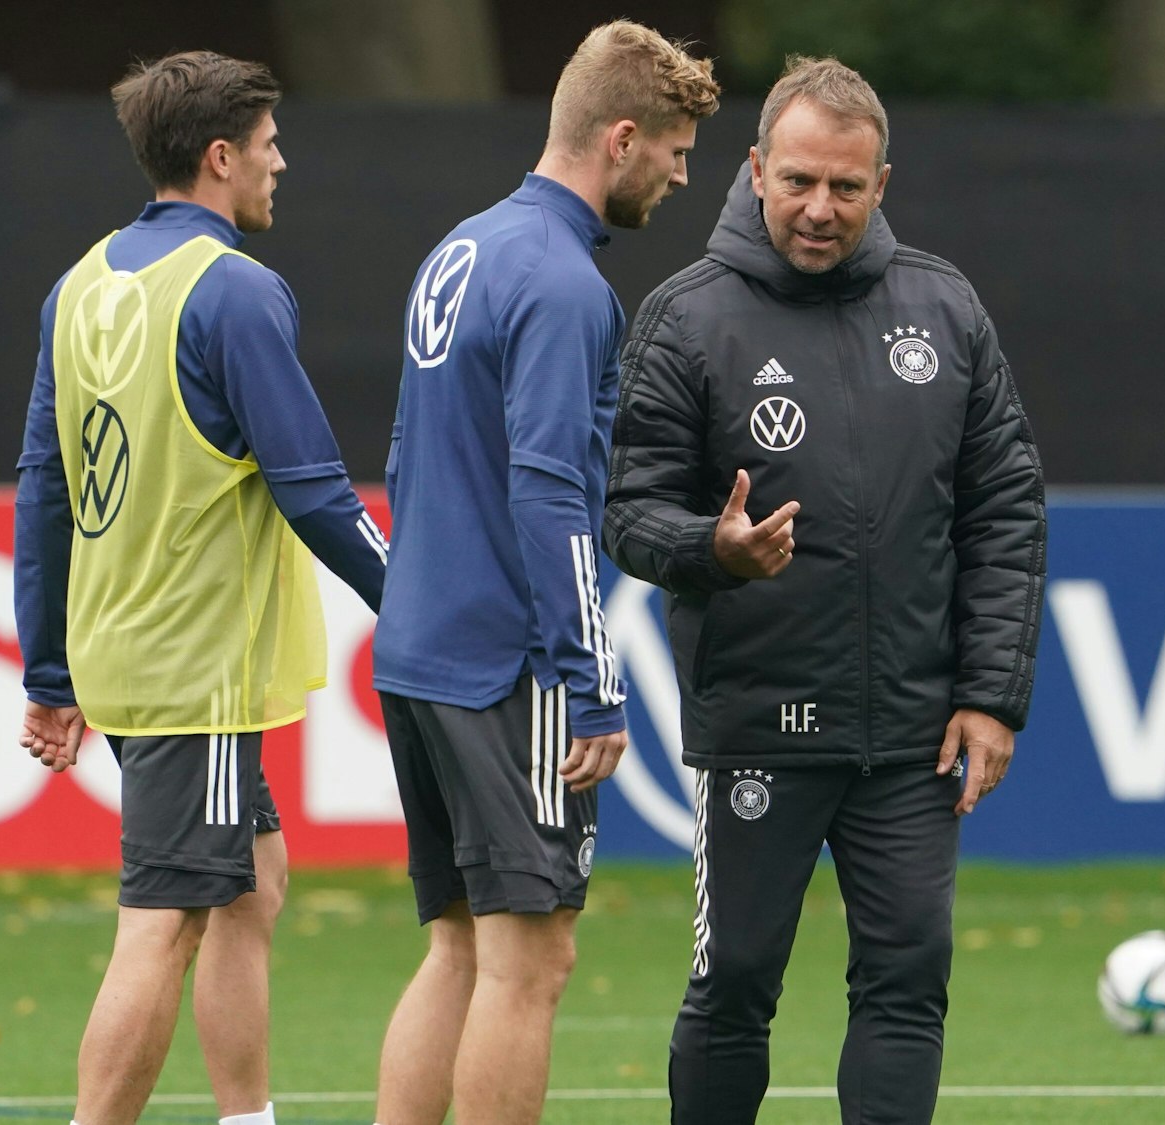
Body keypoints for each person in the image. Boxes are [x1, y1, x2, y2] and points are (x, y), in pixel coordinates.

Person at [604, 56, 1048, 1125]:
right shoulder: (685, 318)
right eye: (798, 180)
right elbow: (628, 510)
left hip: (908, 739)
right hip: (756, 723)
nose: (818, 208)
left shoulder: (943, 309)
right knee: (734, 987)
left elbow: (1005, 510)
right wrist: (712, 550)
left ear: (879, 184)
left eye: (844, 188)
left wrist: (990, 695)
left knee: (905, 988)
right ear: (755, 170)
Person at [12, 51, 386, 1125]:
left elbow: (44, 484)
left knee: (249, 883)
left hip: (126, 653)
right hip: (199, 668)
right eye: (268, 146)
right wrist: (417, 603)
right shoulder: (234, 291)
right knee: (166, 916)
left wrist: (50, 665)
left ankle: (246, 1119)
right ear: (220, 158)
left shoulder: (78, 284)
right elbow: (313, 488)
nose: (281, 162)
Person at [368, 21, 719, 1125]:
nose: (679, 173)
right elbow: (549, 493)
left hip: (419, 651)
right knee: (531, 962)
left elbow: (403, 458)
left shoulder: (461, 249)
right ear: (619, 138)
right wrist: (588, 673)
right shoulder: (566, 286)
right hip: (500, 665)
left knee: (459, 951)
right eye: (671, 149)